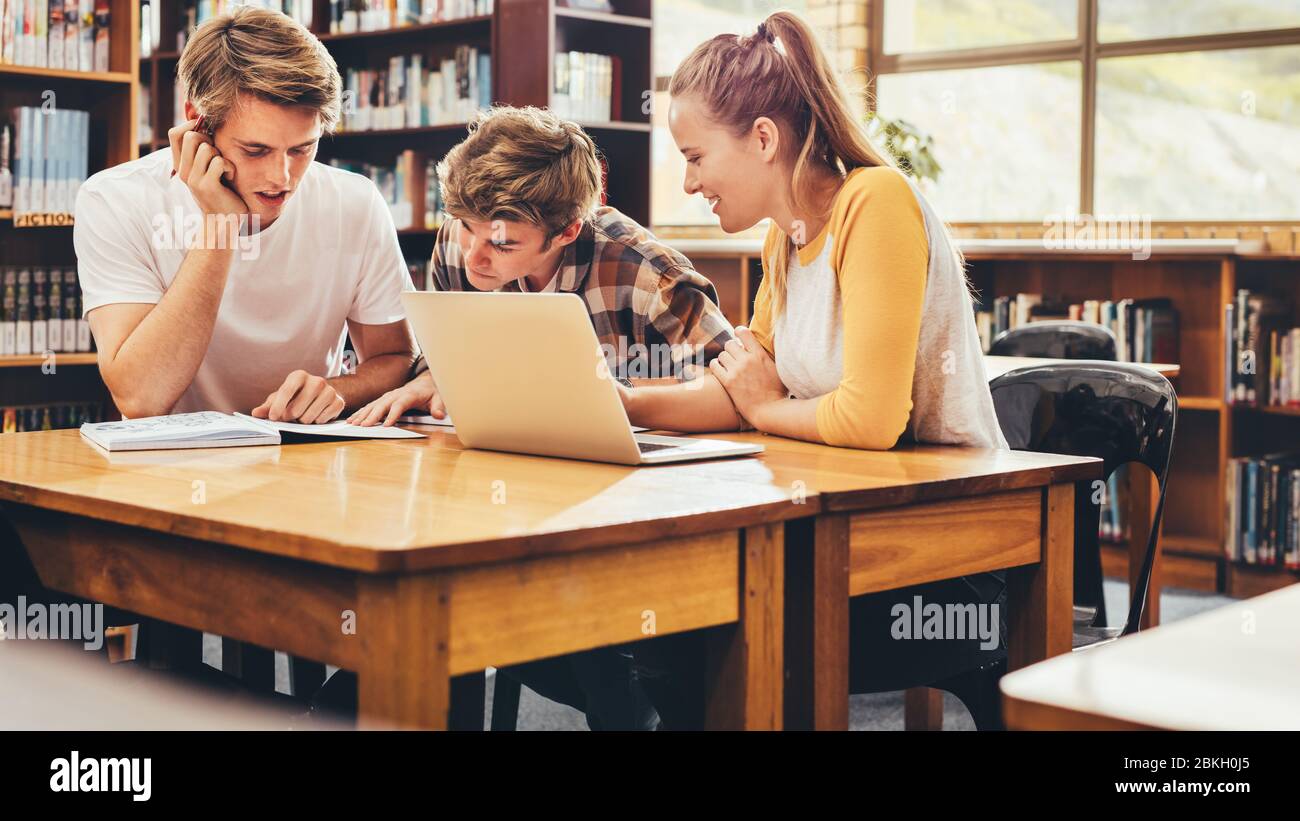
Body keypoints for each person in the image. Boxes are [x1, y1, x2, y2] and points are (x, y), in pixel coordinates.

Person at [621, 11, 1012, 728]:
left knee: (701, 635)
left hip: (949, 550)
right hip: (849, 528)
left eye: (695, 155)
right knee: (670, 630)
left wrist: (767, 407)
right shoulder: (785, 237)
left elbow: (868, 418)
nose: (686, 182)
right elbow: (735, 393)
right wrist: (619, 403)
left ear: (763, 139)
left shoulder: (875, 203)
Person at [332, 105, 737, 730]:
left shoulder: (642, 271)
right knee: (428, 588)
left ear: (567, 232)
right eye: (462, 226)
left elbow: (733, 389)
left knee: (571, 630)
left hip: (628, 513)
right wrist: (432, 376)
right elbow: (449, 348)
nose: (472, 256)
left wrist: (615, 394)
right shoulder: (464, 240)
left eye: (502, 243)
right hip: (500, 499)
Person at [74, 7, 417, 423]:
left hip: (307, 457)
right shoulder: (115, 199)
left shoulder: (355, 201)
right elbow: (141, 397)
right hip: (168, 469)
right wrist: (219, 226)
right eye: (256, 151)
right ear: (197, 123)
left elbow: (396, 358)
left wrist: (337, 391)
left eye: (301, 149)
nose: (282, 178)